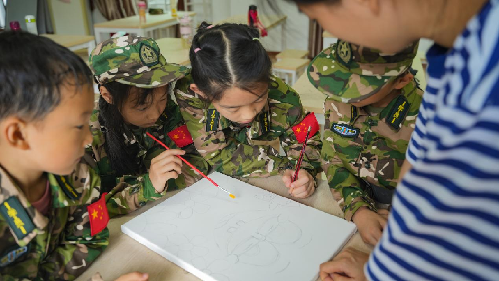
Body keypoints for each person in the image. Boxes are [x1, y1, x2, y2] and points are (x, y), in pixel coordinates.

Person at [269, 0, 499, 280]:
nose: (340, 96)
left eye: (319, 17)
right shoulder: (459, 58)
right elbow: (337, 158)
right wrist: (360, 214)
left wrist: (384, 270)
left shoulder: (477, 87)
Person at [0, 32, 147, 281]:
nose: (89, 139)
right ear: (18, 135)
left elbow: (91, 238)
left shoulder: (78, 176)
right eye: (79, 126)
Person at [175, 22, 322, 198]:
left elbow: (305, 140)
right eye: (233, 108)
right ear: (202, 93)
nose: (249, 115)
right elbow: (217, 154)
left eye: (259, 99)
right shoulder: (190, 94)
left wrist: (305, 171)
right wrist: (282, 165)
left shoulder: (284, 98)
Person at [308, 40, 422, 246]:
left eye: (358, 86)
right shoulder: (337, 103)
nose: (340, 93)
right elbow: (332, 159)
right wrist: (358, 209)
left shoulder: (427, 119)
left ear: (402, 80)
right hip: (353, 202)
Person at [87, 35, 210, 217]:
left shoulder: (168, 111)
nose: (155, 114)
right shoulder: (87, 137)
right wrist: (148, 186)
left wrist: (163, 181)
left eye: (162, 98)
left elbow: (199, 159)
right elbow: (87, 214)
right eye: (142, 107)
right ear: (107, 95)